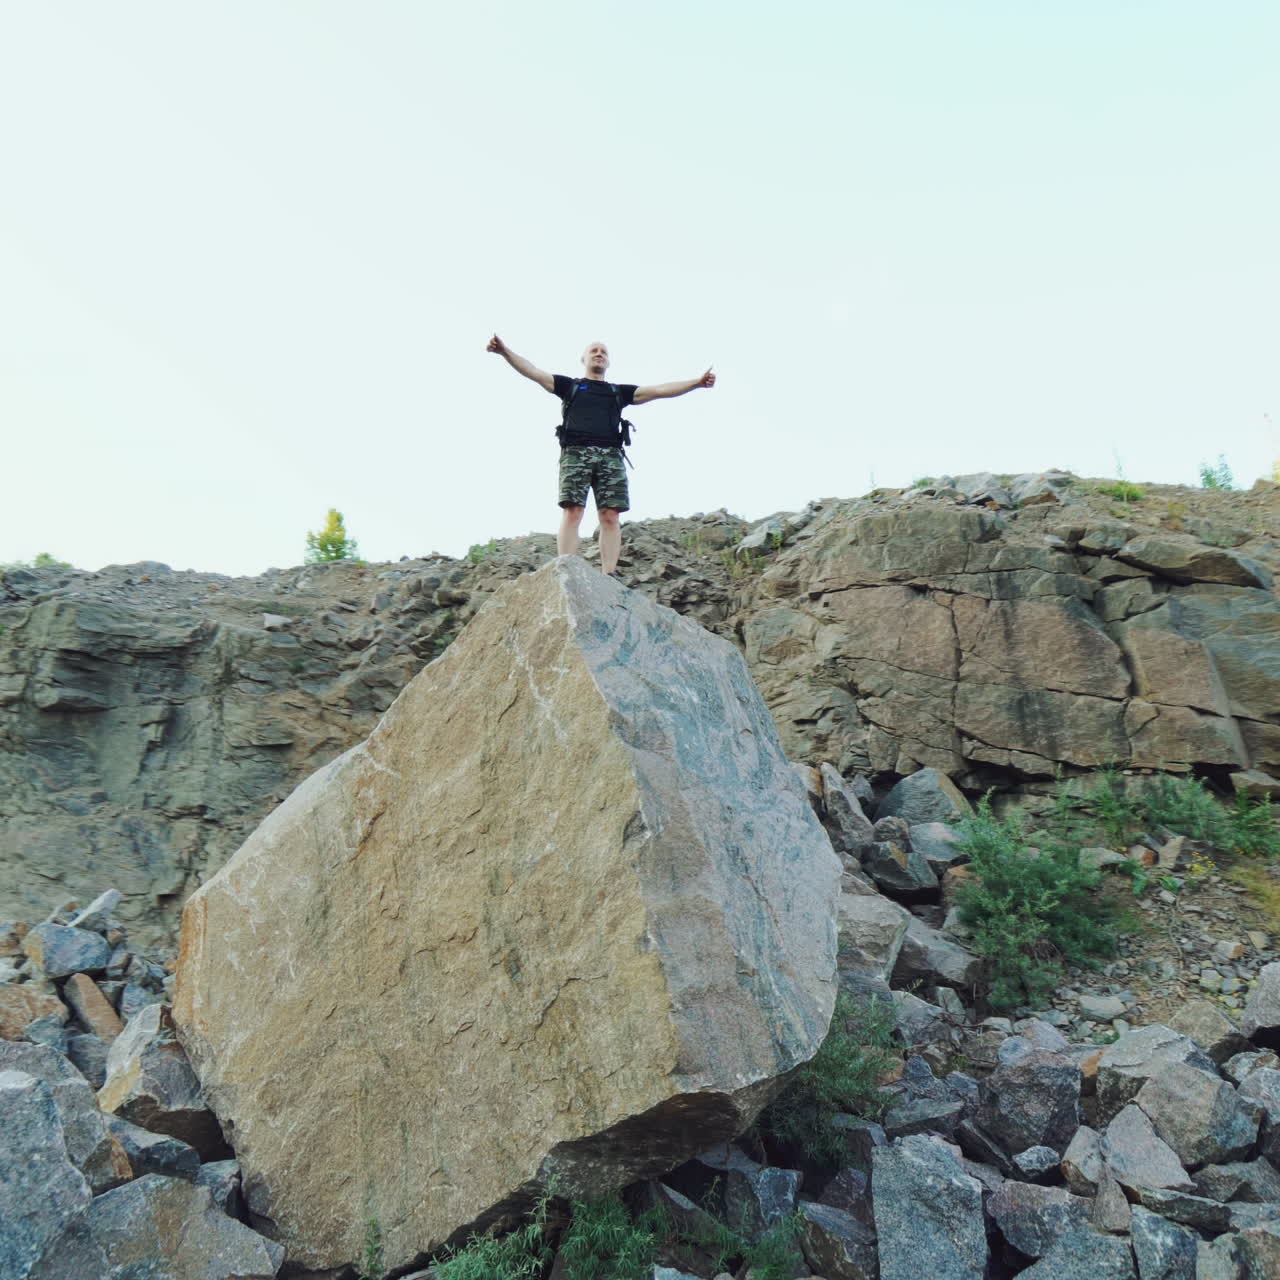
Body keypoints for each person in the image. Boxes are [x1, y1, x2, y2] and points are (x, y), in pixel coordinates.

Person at [486, 335, 716, 576]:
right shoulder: (570, 386)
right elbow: (532, 371)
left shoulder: (617, 392)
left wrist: (697, 383)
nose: (599, 353)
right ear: (583, 359)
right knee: (573, 510)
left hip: (611, 456)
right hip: (576, 453)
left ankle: (609, 573)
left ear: (608, 362)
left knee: (610, 515)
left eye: (603, 352)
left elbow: (659, 390)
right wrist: (504, 351)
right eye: (594, 350)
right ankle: (567, 568)